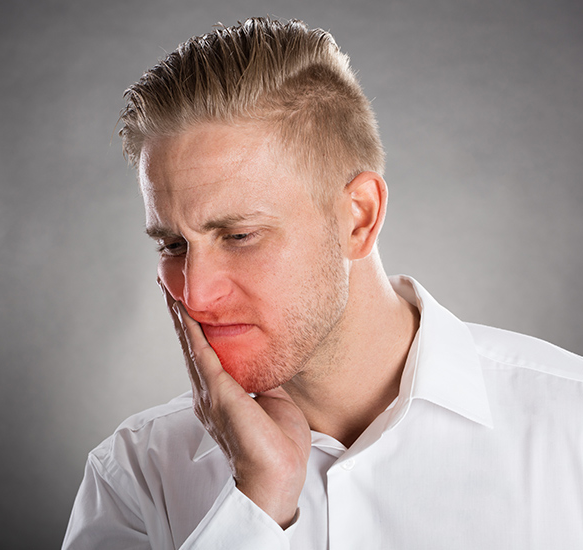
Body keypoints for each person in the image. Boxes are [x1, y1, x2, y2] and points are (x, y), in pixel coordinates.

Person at [63, 17, 583, 549]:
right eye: (174, 245)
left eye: (240, 235)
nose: (194, 294)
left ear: (358, 218)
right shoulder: (134, 474)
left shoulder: (572, 425)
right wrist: (257, 502)